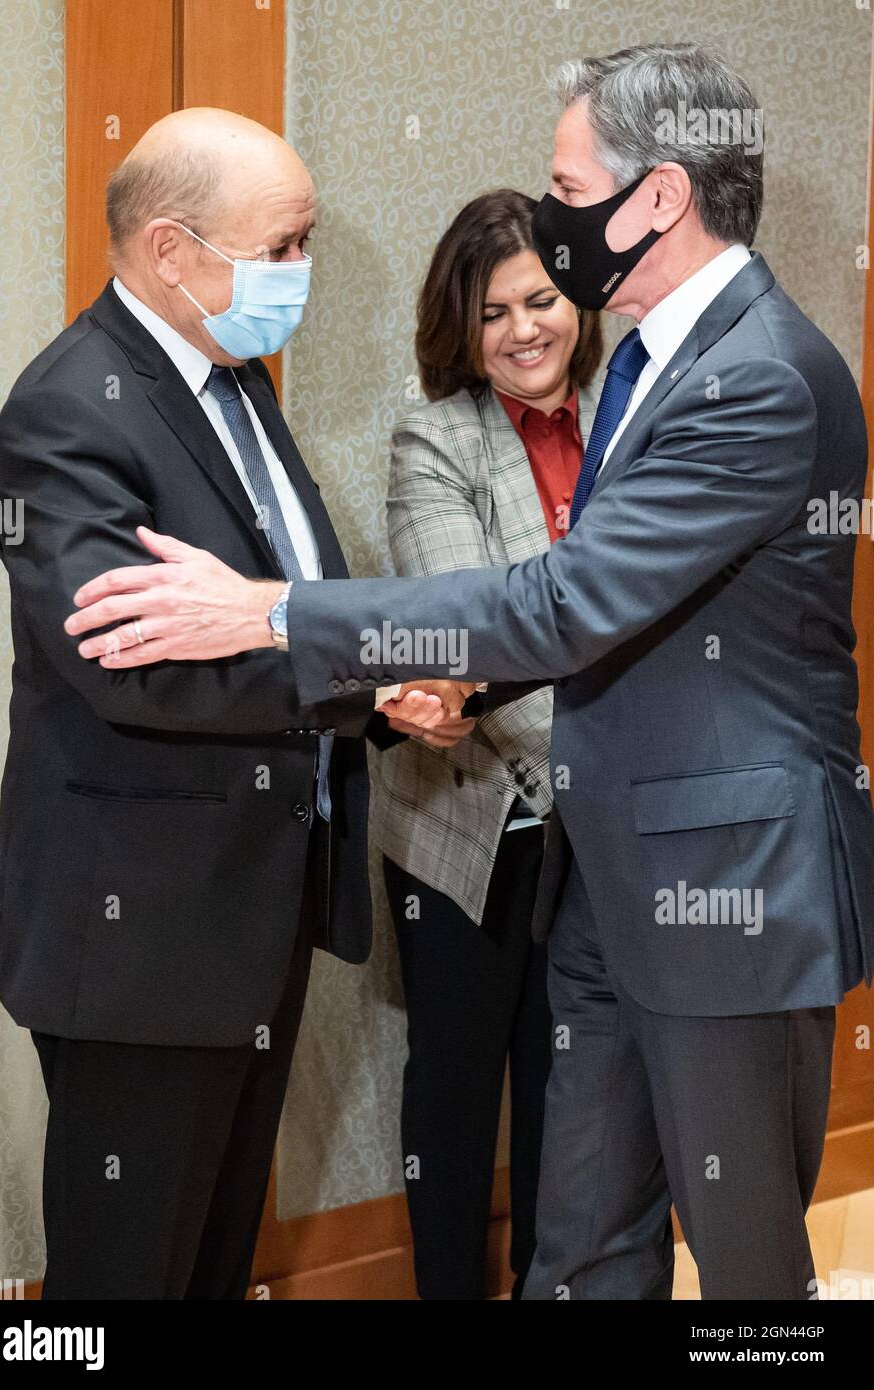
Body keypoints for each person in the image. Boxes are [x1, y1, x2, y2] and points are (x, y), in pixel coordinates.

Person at [65, 44, 874, 1300]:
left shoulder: (756, 374)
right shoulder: (657, 356)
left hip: (730, 887)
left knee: (749, 1259)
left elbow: (564, 603)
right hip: (608, 882)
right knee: (581, 1244)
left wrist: (275, 612)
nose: (552, 225)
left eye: (567, 184)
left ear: (655, 197)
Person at [0, 106, 456, 1300]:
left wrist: (373, 678)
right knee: (125, 1274)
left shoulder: (229, 382)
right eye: (284, 246)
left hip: (246, 911)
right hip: (141, 934)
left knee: (209, 1255)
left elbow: (280, 598)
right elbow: (133, 659)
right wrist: (358, 675)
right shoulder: (69, 411)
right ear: (170, 250)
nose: (300, 275)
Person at [373, 188, 602, 1299]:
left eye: (543, 299)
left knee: (574, 1088)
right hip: (469, 821)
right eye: (494, 310)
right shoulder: (434, 435)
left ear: (579, 301)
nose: (523, 329)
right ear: (461, 326)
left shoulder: (629, 415)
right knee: (456, 1094)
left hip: (598, 828)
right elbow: (471, 623)